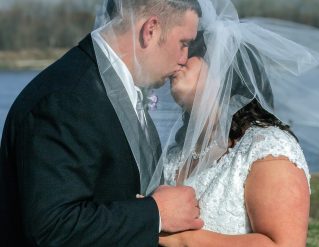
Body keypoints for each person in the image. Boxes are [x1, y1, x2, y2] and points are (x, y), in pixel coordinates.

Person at [0, 0, 204, 246]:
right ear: (151, 30)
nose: (184, 58)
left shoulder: (114, 88)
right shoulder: (66, 98)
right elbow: (52, 228)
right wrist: (157, 213)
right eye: (183, 43)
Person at [150, 0, 319, 246]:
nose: (179, 60)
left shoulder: (267, 149)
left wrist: (181, 239)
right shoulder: (177, 151)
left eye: (190, 54)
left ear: (222, 71)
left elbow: (283, 244)